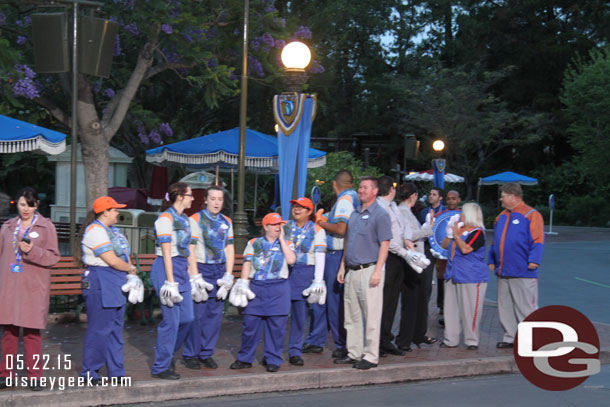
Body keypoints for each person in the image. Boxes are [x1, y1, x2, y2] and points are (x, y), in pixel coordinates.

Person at [78, 196, 144, 383]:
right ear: (105, 212)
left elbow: (124, 254)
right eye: (114, 209)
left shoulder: (114, 231)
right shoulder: (95, 231)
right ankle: (90, 372)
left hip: (115, 281)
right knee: (99, 330)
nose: (117, 212)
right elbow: (112, 260)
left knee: (115, 330)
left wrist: (131, 275)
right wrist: (131, 270)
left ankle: (116, 372)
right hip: (101, 281)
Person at [0, 187, 60, 391]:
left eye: (30, 204)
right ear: (17, 204)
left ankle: (34, 377)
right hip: (9, 287)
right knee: (9, 333)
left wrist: (32, 251)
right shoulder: (8, 226)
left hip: (33, 288)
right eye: (22, 204)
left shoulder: (46, 227)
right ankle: (6, 375)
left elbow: (53, 257)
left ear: (37, 205)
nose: (26, 209)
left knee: (32, 334)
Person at [335, 176, 392, 370]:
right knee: (352, 316)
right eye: (360, 187)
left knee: (372, 316)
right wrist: (343, 266)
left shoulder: (381, 215)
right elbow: (348, 242)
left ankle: (371, 355)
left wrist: (378, 271)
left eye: (365, 188)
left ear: (375, 191)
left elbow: (385, 244)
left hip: (369, 270)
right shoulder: (355, 214)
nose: (360, 190)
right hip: (352, 270)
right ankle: (354, 352)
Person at [229, 213, 296, 373]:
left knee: (276, 328)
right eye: (274, 224)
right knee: (250, 326)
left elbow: (291, 260)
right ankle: (245, 358)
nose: (278, 227)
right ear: (265, 227)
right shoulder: (254, 243)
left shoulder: (287, 243)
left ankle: (273, 359)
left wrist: (281, 240)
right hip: (257, 287)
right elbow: (247, 263)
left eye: (279, 224)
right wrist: (243, 283)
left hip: (278, 288)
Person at [303, 170, 359, 358]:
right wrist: (327, 216)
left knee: (333, 300)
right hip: (337, 253)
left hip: (336, 254)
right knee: (323, 298)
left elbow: (341, 228)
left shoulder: (345, 200)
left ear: (335, 184)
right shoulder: (353, 198)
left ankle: (341, 343)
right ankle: (316, 339)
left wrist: (320, 221)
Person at [376, 176, 430, 357]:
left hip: (399, 257)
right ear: (390, 190)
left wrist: (406, 239)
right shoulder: (382, 208)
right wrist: (404, 251)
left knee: (391, 303)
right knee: (383, 303)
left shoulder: (393, 208)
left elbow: (403, 229)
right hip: (390, 257)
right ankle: (379, 342)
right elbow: (387, 239)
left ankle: (385, 340)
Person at [182, 186, 235, 370]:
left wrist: (229, 274)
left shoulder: (226, 221)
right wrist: (194, 276)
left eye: (219, 199)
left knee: (214, 315)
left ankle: (206, 353)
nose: (216, 202)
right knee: (197, 315)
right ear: (205, 199)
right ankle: (191, 353)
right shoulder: (195, 219)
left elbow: (229, 247)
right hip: (201, 269)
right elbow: (191, 248)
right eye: (213, 199)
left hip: (219, 271)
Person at [488, 183, 544, 349]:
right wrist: (491, 259)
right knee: (505, 306)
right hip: (503, 271)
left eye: (503, 195)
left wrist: (534, 259)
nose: (501, 198)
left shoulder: (531, 215)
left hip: (523, 271)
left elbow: (538, 240)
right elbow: (496, 241)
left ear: (513, 196)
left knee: (526, 307)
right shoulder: (501, 216)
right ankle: (510, 337)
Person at [151, 182, 197, 379]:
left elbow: (189, 251)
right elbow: (167, 253)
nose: (193, 198)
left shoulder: (185, 220)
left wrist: (194, 276)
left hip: (181, 269)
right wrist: (170, 282)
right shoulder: (165, 219)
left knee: (188, 318)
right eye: (189, 195)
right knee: (171, 321)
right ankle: (161, 366)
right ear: (179, 196)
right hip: (165, 268)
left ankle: (168, 353)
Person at [283, 197, 327, 366]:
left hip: (305, 272)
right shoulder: (285, 227)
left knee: (300, 316)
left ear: (310, 212)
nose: (297, 209)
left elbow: (320, 256)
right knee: (278, 315)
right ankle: (273, 350)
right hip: (285, 272)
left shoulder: (317, 230)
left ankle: (295, 350)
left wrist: (318, 280)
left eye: (302, 207)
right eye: (295, 206)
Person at [439, 203, 487, 350]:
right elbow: (444, 245)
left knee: (470, 310)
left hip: (471, 276)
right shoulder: (458, 229)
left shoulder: (478, 232)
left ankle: (472, 340)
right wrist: (449, 234)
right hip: (452, 274)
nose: (460, 215)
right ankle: (450, 339)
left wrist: (456, 235)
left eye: (463, 213)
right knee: (450, 309)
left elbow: (466, 249)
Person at [395, 182, 436, 352]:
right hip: (411, 261)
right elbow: (409, 235)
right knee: (411, 301)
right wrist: (428, 229)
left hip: (415, 260)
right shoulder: (403, 211)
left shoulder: (406, 211)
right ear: (413, 195)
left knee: (418, 299)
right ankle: (405, 339)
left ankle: (417, 334)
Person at [437, 190, 461, 323]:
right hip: (443, 257)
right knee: (444, 284)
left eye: (453, 198)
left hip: (459, 258)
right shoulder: (440, 216)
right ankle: (444, 311)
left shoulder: (463, 216)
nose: (451, 201)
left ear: (459, 200)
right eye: (448, 199)